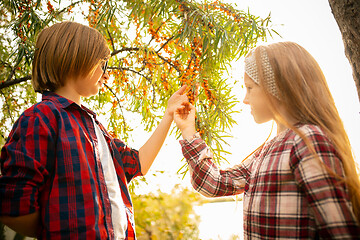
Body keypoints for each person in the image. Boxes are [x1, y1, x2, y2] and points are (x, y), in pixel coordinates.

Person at [0, 21, 189, 239]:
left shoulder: (96, 128)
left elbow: (138, 163)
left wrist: (168, 116)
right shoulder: (41, 118)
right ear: (76, 60)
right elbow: (13, 207)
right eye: (102, 64)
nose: (106, 74)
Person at [174, 41, 360, 239]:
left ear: (277, 88)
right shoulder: (267, 151)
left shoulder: (308, 142)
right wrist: (188, 130)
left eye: (250, 88)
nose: (245, 99)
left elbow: (341, 231)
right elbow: (214, 183)